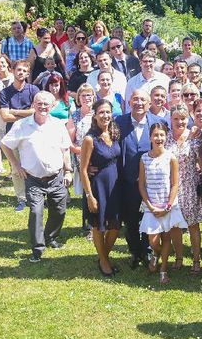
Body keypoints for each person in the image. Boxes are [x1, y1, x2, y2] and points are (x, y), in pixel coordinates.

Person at [1, 91, 73, 263]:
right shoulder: (22, 125)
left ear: (52, 106)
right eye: (39, 103)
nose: (42, 107)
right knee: (36, 212)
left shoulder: (58, 125)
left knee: (59, 209)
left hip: (56, 177)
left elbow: (65, 149)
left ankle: (50, 237)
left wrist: (68, 170)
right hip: (33, 179)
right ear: (33, 105)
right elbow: (5, 144)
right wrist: (15, 165)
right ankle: (37, 249)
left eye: (46, 104)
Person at [116, 89, 165, 269]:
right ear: (129, 102)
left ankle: (148, 251)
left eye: (142, 100)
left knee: (148, 218)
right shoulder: (119, 122)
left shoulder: (157, 123)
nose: (138, 103)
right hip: (127, 181)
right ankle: (135, 252)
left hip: (151, 183)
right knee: (130, 220)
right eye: (135, 99)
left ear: (149, 103)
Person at [139, 123, 187, 284]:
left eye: (162, 135)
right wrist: (150, 206)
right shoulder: (144, 158)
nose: (159, 138)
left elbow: (175, 184)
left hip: (168, 206)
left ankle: (163, 269)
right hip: (151, 206)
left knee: (167, 238)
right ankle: (156, 253)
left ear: (166, 137)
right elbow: (141, 185)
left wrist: (168, 206)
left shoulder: (171, 157)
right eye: (155, 135)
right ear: (150, 137)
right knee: (153, 241)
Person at [80, 99, 122, 277]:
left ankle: (103, 255)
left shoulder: (114, 133)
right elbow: (82, 169)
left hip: (114, 187)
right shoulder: (90, 139)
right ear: (95, 115)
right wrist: (90, 196)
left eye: (108, 112)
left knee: (115, 226)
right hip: (98, 187)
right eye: (101, 112)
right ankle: (104, 261)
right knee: (98, 225)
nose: (105, 115)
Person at [165, 104, 202, 273]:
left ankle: (196, 259)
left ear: (188, 119)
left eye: (183, 118)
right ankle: (179, 257)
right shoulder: (166, 138)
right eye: (176, 119)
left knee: (193, 224)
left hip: (190, 186)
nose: (180, 122)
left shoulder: (194, 137)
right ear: (170, 119)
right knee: (174, 225)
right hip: (171, 187)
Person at [0, 61, 39, 212]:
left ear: (28, 74)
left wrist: (13, 111)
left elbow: (36, 111)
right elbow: (4, 116)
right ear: (12, 71)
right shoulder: (5, 93)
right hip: (13, 134)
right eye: (18, 70)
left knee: (34, 165)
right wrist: (26, 113)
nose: (21, 72)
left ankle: (35, 196)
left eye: (24, 70)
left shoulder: (33, 90)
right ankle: (21, 199)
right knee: (17, 168)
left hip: (32, 133)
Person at [67, 83, 95, 238]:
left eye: (89, 95)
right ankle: (89, 226)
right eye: (83, 95)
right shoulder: (75, 116)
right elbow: (69, 142)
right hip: (82, 159)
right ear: (78, 98)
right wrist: (83, 152)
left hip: (99, 159)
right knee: (87, 192)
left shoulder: (99, 113)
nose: (86, 98)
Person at [0, 54, 15, 175]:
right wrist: (1, 112)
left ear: (8, 64)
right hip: (1, 114)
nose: (1, 65)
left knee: (14, 141)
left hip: (15, 113)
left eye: (3, 62)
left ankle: (14, 168)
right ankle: (2, 165)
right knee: (1, 140)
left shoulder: (14, 77)